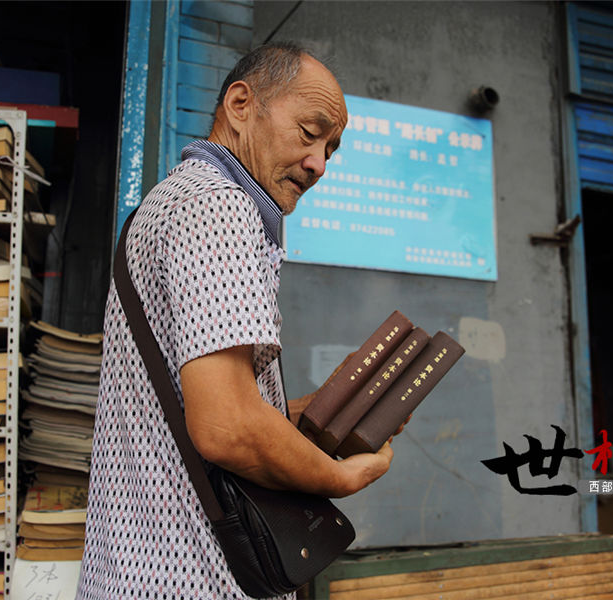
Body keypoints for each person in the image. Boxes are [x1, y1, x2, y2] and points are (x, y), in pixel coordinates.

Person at [78, 42, 397, 599]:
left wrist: (315, 413)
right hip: (190, 578)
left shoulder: (172, 200)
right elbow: (227, 427)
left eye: (331, 148)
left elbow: (196, 402)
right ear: (242, 104)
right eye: (309, 132)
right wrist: (340, 478)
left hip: (132, 571)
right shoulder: (219, 204)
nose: (320, 163)